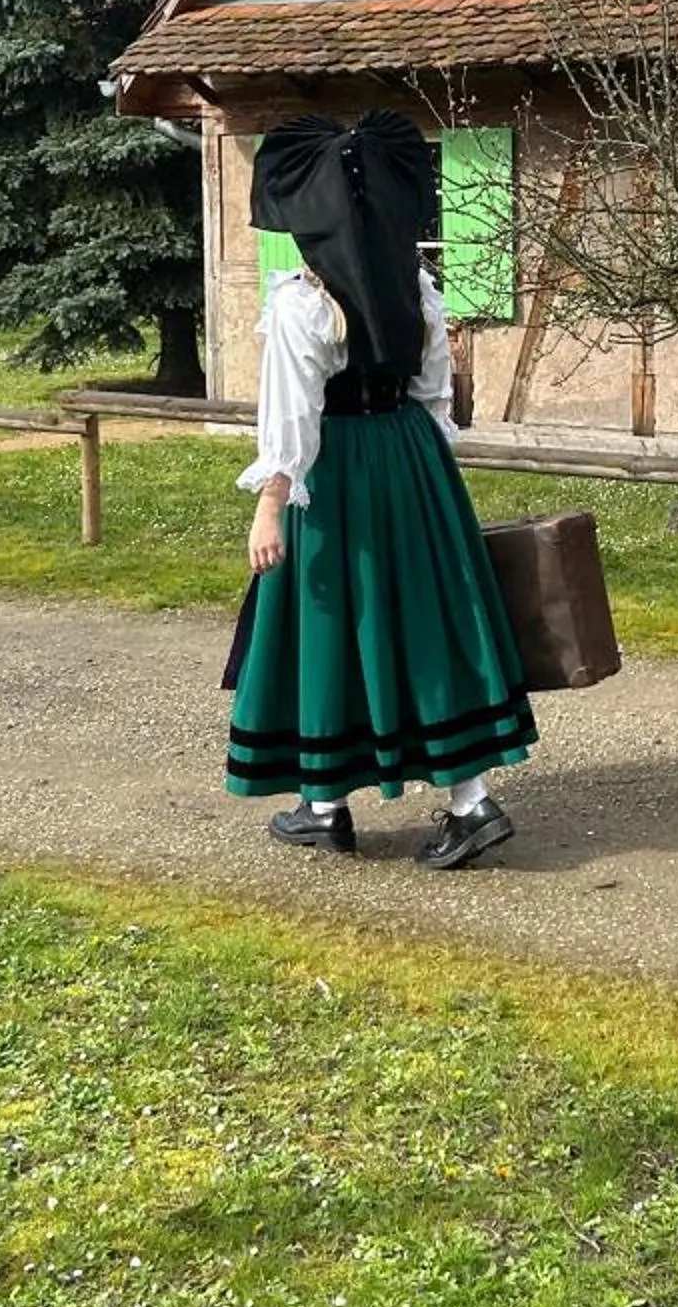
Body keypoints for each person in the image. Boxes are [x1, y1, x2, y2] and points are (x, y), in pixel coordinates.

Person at [224, 110, 536, 870]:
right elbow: (434, 395)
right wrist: (432, 483)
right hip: (411, 458)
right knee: (423, 621)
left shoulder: (304, 304)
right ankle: (449, 801)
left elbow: (291, 421)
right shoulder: (418, 289)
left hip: (337, 473)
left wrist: (271, 503)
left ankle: (338, 805)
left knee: (334, 623)